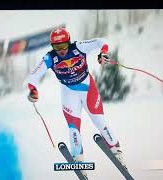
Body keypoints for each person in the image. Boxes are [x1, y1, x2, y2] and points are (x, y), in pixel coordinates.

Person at [27, 27, 127, 178]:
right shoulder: (50, 57)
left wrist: (103, 53)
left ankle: (117, 152)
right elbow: (33, 77)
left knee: (99, 121)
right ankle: (79, 161)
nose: (60, 50)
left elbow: (101, 42)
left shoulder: (78, 47)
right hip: (69, 93)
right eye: (56, 47)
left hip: (87, 88)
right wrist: (32, 90)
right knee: (73, 129)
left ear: (69, 42)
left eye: (63, 46)